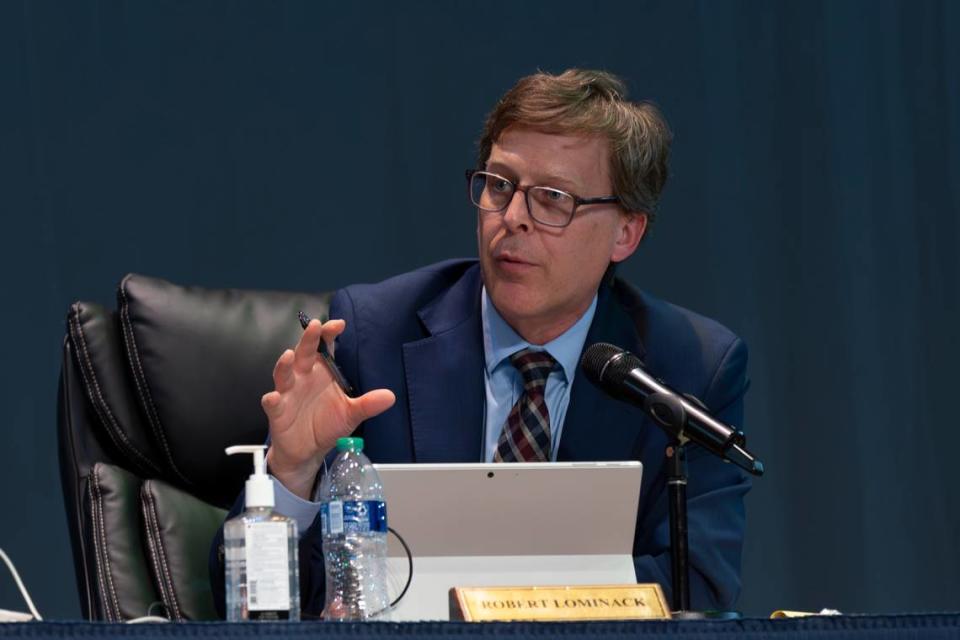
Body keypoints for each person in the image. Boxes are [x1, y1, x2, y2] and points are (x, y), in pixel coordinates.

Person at [211, 68, 751, 616]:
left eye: (552, 198)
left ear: (625, 233)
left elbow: (696, 588)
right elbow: (261, 604)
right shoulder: (374, 336)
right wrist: (292, 474)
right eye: (499, 185)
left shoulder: (689, 368)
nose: (513, 218)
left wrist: (500, 607)